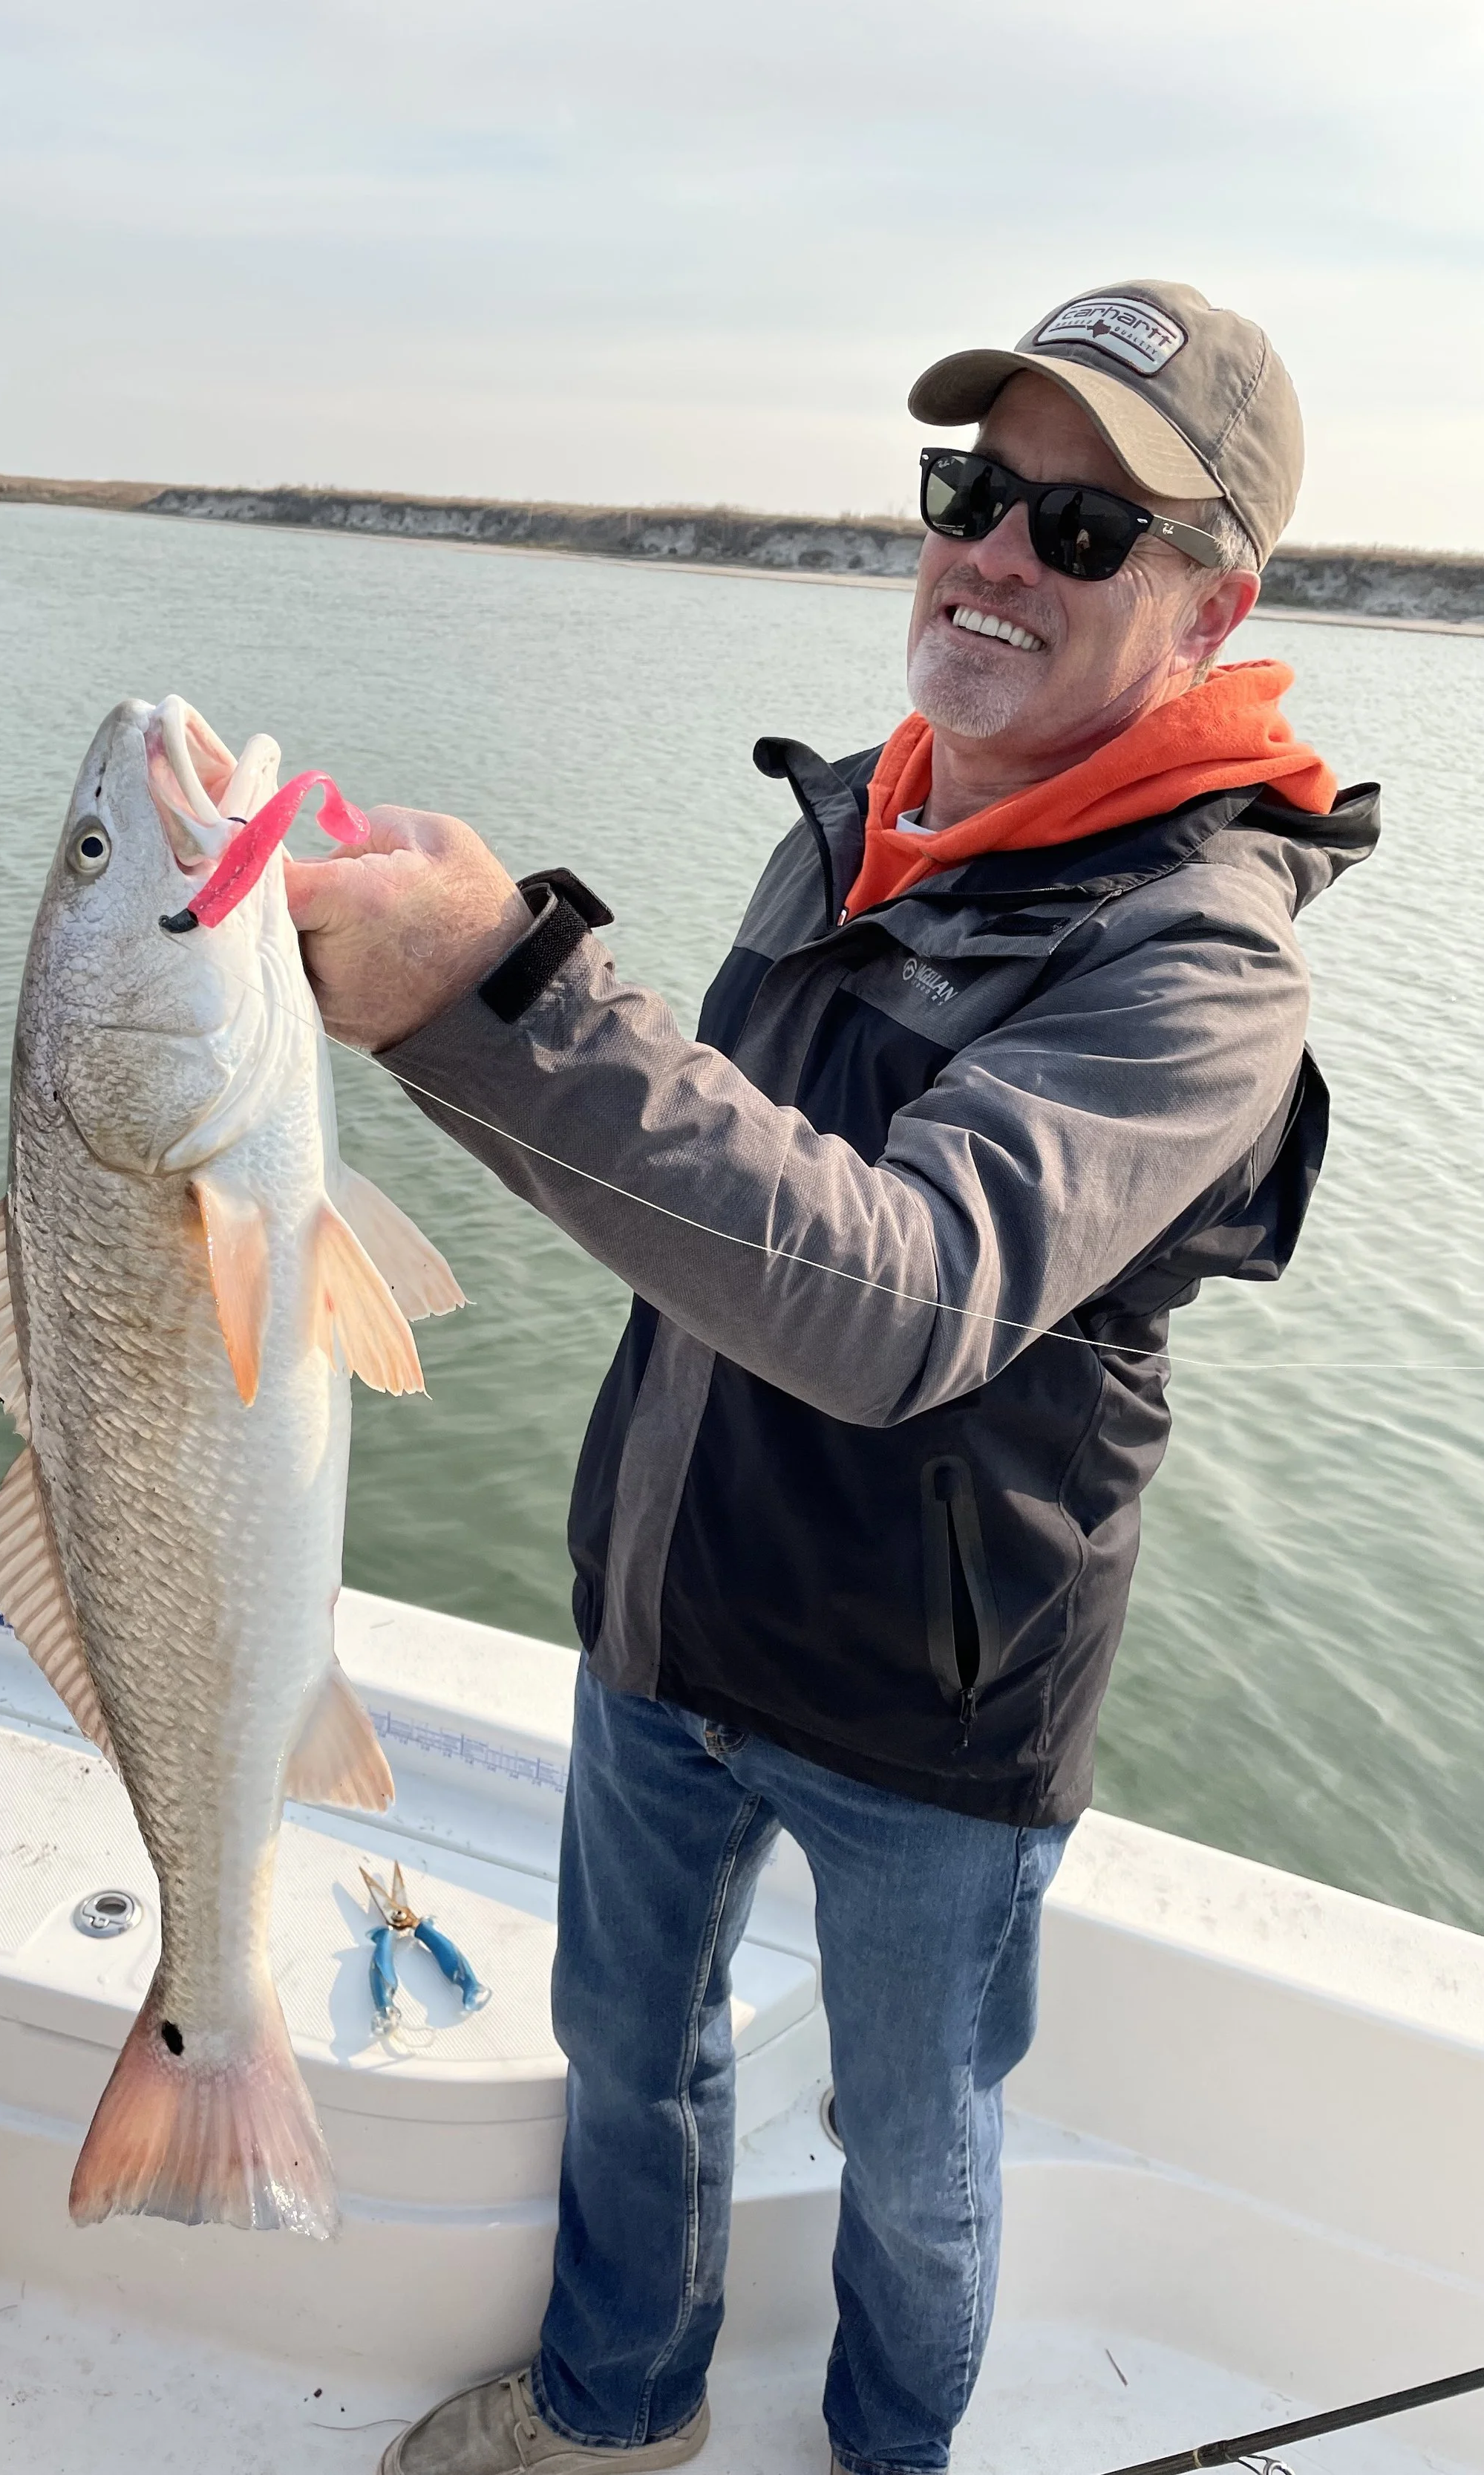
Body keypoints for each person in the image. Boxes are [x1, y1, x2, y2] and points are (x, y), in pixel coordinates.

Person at [285, 281, 1379, 2475]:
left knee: (915, 2149)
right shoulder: (855, 811)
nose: (988, 553)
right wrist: (463, 1020)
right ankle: (617, 2409)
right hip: (669, 1609)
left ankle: (891, 2455)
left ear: (1208, 604)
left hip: (931, 1709)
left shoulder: (1197, 960)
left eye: (1082, 532)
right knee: (628, 2054)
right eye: (971, 490)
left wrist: (499, 992)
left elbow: (901, 1293)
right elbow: (710, 1183)